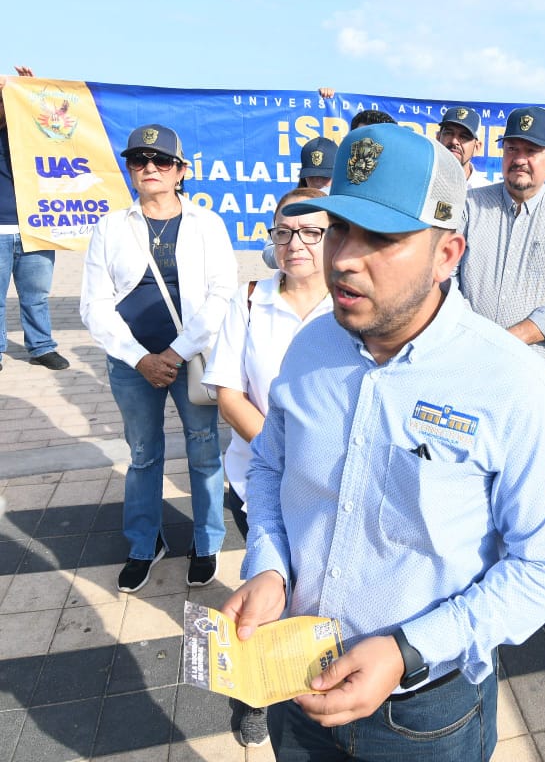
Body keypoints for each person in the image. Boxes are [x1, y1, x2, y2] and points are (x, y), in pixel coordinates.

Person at [221, 123, 545, 760]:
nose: (342, 257)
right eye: (338, 228)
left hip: (424, 715)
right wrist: (270, 566)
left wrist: (408, 648)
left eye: (382, 237)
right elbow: (271, 468)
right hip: (297, 679)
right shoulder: (311, 347)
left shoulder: (516, 385)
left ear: (448, 254)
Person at [80, 124, 237, 593]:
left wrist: (173, 352)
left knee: (204, 451)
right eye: (138, 160)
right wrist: (138, 357)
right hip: (132, 366)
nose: (149, 168)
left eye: (161, 161)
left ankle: (207, 543)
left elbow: (221, 292)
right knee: (144, 456)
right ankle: (144, 545)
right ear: (129, 169)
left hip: (190, 360)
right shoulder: (110, 226)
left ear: (181, 171)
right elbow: (94, 304)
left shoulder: (207, 224)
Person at [203, 186, 333, 747]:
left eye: (311, 232)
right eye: (285, 231)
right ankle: (252, 695)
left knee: (315, 592)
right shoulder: (251, 299)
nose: (296, 243)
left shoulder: (351, 302)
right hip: (256, 476)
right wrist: (286, 456)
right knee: (262, 587)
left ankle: (311, 683)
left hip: (331, 486)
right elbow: (228, 394)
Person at [458, 105, 545, 387]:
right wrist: (474, 332)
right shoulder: (470, 206)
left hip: (539, 370)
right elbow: (444, 276)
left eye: (531, 150)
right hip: (469, 360)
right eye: (511, 149)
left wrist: (516, 336)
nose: (519, 159)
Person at [0, 65, 69, 372]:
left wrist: (33, 96)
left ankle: (41, 347)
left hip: (36, 227)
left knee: (36, 296)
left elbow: (60, 136)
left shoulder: (34, 137)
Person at [262, 138, 339, 269]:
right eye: (312, 177)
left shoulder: (348, 206)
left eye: (325, 177)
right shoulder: (291, 206)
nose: (318, 183)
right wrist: (291, 250)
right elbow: (268, 254)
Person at [437, 104, 492, 187]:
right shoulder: (421, 184)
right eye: (448, 133)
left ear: (477, 148)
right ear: (438, 138)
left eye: (464, 136)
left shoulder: (488, 193)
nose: (454, 141)